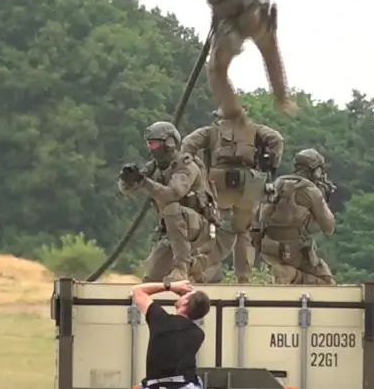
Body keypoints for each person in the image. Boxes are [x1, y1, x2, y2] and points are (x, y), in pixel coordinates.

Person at [184, 0, 295, 120]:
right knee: (269, 52)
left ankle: (235, 114)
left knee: (216, 71)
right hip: (249, 17)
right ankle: (282, 99)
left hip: (232, 25)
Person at [180, 107, 283, 283]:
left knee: (217, 230)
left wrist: (193, 168)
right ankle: (244, 279)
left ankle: (204, 274)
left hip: (218, 184)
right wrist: (270, 163)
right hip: (249, 185)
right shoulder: (255, 130)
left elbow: (188, 144)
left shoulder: (211, 131)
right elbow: (277, 139)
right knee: (244, 231)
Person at [119, 121, 218, 282]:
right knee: (151, 279)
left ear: (169, 143)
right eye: (149, 144)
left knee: (171, 208)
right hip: (172, 230)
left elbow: (173, 193)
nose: (152, 148)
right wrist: (127, 179)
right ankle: (195, 265)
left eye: (155, 143)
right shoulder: (155, 167)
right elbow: (128, 190)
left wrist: (144, 182)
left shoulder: (186, 166)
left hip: (199, 227)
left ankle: (182, 268)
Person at [257, 148, 336, 285]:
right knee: (327, 283)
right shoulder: (311, 191)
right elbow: (329, 228)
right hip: (295, 251)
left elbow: (261, 218)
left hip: (269, 248)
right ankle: (290, 274)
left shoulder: (277, 184)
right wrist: (324, 200)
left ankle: (286, 275)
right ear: (316, 171)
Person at [131, 280, 210, 389]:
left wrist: (171, 286)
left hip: (157, 384)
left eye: (183, 295)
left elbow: (137, 290)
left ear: (185, 302)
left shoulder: (161, 320)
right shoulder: (198, 334)